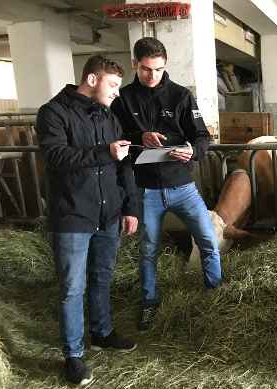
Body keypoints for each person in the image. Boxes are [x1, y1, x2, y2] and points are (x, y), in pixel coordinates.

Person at [36, 55, 139, 386]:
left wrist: (130, 206)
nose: (116, 93)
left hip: (108, 213)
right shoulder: (53, 112)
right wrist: (104, 153)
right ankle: (74, 355)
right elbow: (56, 156)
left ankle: (102, 332)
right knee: (71, 287)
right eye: (112, 85)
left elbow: (123, 165)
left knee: (102, 277)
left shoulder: (108, 115)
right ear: (92, 80)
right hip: (73, 215)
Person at [112, 37, 222, 331]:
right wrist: (139, 139)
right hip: (145, 188)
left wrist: (192, 151)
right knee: (147, 250)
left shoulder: (181, 96)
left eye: (159, 69)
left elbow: (202, 136)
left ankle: (215, 296)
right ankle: (149, 302)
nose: (152, 76)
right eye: (147, 69)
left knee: (208, 240)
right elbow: (115, 141)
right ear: (135, 64)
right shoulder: (122, 99)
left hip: (182, 184)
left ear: (166, 65)